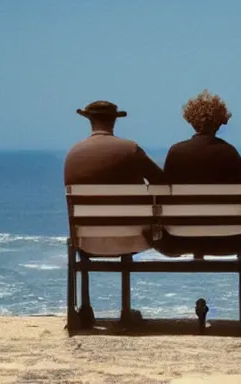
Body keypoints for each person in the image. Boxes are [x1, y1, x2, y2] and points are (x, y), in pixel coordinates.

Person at [154, 90, 241, 295]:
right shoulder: (228, 152)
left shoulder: (176, 151)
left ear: (190, 121)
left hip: (178, 239)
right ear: (220, 122)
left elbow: (163, 195)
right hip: (226, 240)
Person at [64, 100, 166, 326]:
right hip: (132, 238)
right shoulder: (130, 149)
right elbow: (161, 182)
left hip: (86, 240)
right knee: (129, 226)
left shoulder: (73, 154)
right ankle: (126, 309)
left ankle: (84, 308)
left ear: (89, 120)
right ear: (114, 121)